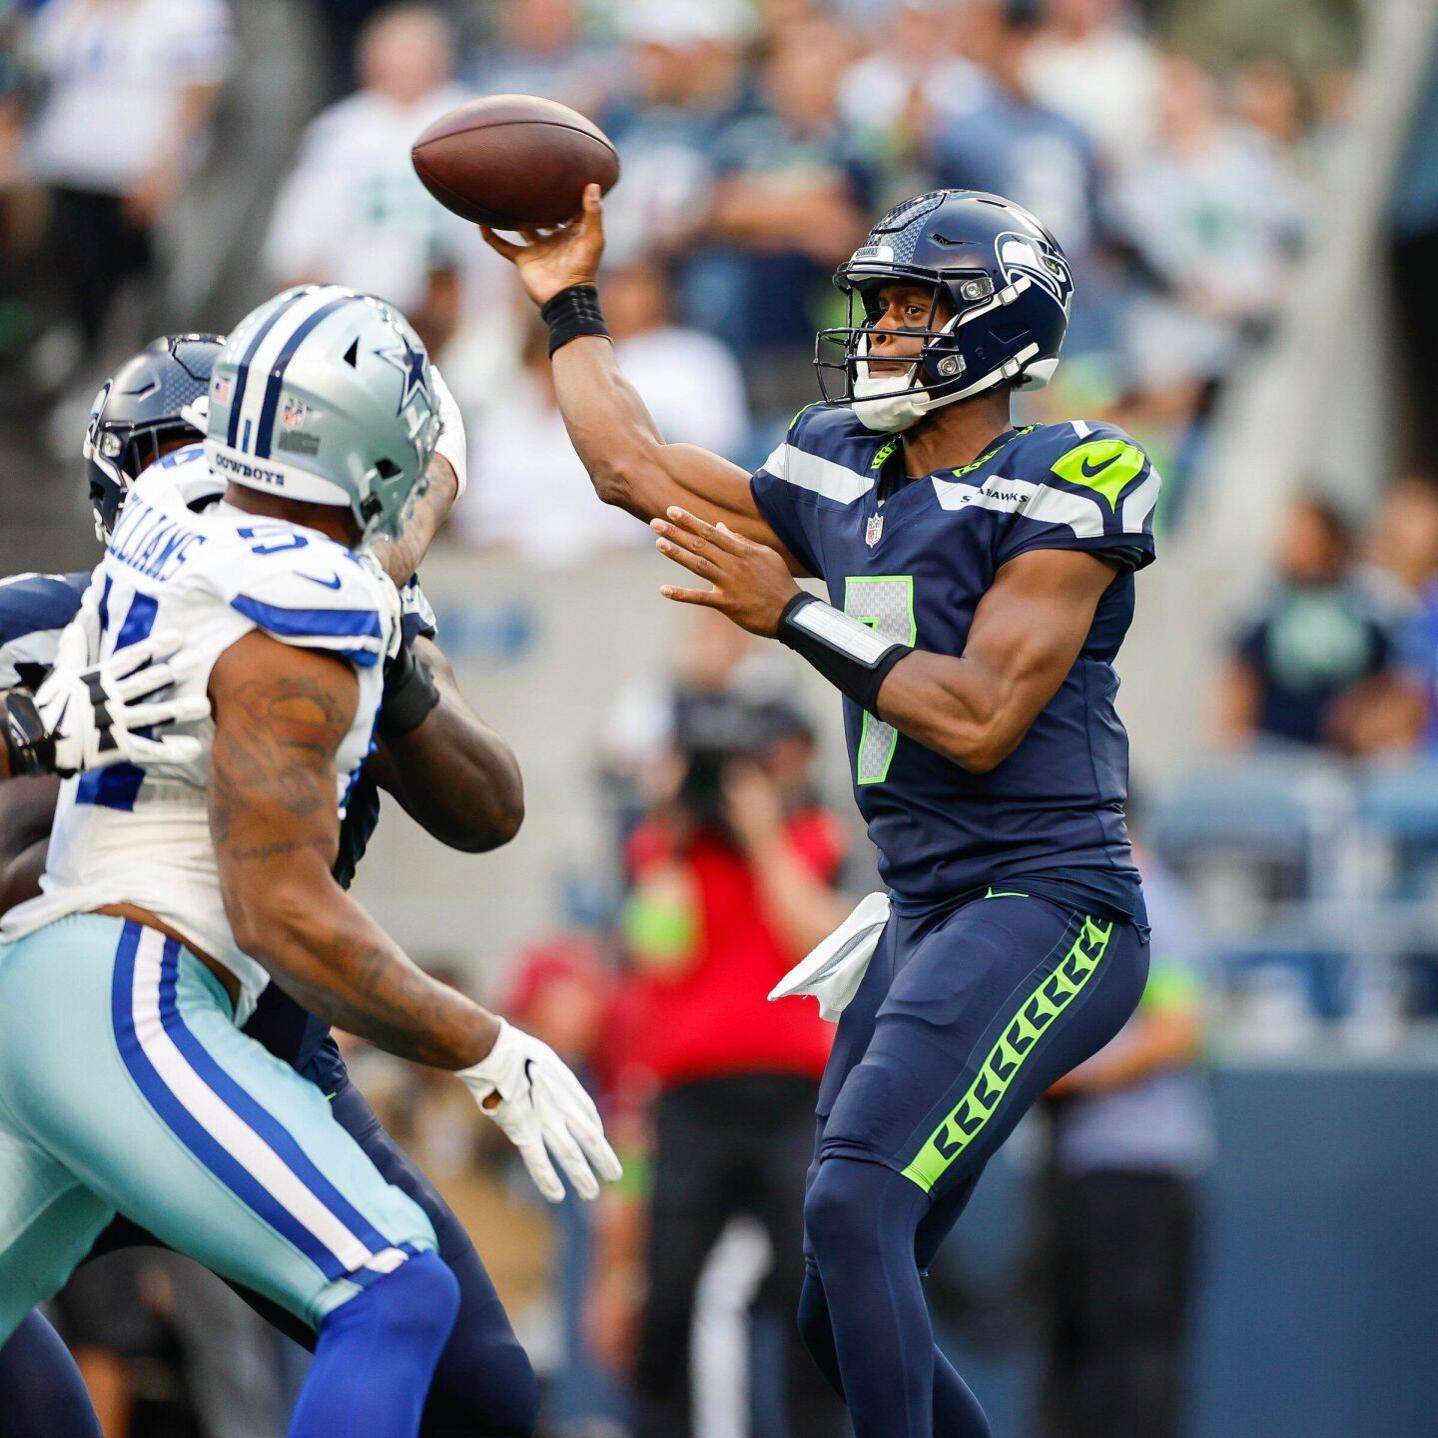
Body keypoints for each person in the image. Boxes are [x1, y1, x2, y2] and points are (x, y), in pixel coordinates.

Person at [484, 183, 1158, 1438]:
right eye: (882, 305)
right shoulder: (837, 463)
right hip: (919, 911)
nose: (886, 331)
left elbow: (975, 715)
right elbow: (630, 466)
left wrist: (789, 610)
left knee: (855, 1209)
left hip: (1049, 902)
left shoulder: (1070, 473)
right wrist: (565, 296)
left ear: (1000, 329)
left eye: (916, 306)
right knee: (826, 1302)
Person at [0, 288, 620, 1437]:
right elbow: (279, 908)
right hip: (142, 1000)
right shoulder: (295, 601)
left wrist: (394, 612)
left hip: (82, 1006)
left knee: (468, 1381)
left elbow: (484, 799)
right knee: (394, 1290)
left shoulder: (209, 556)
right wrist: (480, 1042)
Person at [603, 692, 849, 1438]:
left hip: (793, 1098)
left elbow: (816, 938)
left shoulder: (808, 833)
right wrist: (673, 832)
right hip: (693, 1101)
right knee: (670, 1290)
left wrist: (762, 833)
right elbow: (659, 951)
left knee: (811, 1289)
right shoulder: (661, 848)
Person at [1040, 848, 1212, 1438]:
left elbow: (1175, 1032)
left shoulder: (1152, 904)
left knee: (1135, 1356)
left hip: (1141, 1171)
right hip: (1085, 1167)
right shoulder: (1088, 901)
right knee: (1080, 1353)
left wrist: (1064, 1078)